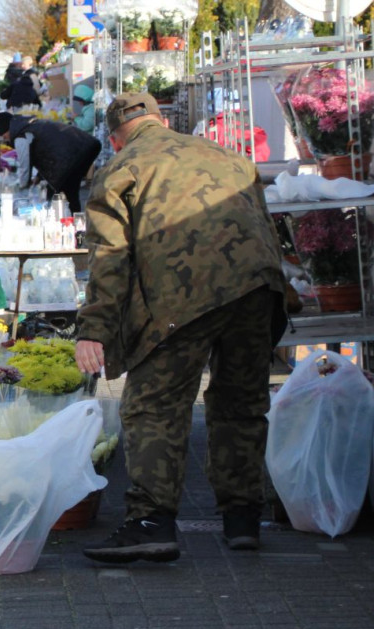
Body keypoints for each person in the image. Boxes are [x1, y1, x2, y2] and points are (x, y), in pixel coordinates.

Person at [75, 93, 287, 564]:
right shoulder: (229, 156)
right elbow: (266, 229)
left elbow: (110, 259)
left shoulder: (121, 168)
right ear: (163, 121)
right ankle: (243, 519)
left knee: (154, 406)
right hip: (257, 288)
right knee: (241, 402)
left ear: (115, 138)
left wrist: (94, 329)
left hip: (182, 293)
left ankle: (151, 522)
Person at [0, 111, 100, 213]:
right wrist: (38, 177)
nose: (6, 139)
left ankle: (70, 220)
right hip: (82, 148)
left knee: (64, 191)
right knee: (66, 190)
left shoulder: (20, 136)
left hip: (76, 152)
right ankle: (72, 218)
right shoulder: (27, 126)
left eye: (4, 136)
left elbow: (24, 164)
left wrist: (22, 189)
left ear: (7, 129)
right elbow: (48, 152)